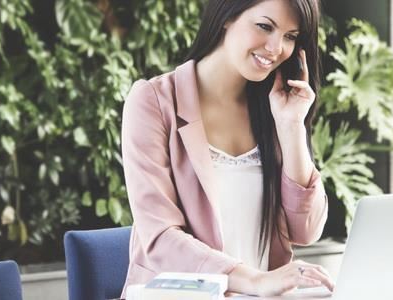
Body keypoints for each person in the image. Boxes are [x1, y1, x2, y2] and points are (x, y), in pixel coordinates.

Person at [120, 0, 334, 297]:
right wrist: (255, 281)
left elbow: (306, 230)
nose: (276, 48)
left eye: (290, 36)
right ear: (226, 17)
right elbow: (160, 237)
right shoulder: (154, 101)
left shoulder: (274, 106)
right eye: (265, 26)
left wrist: (291, 127)